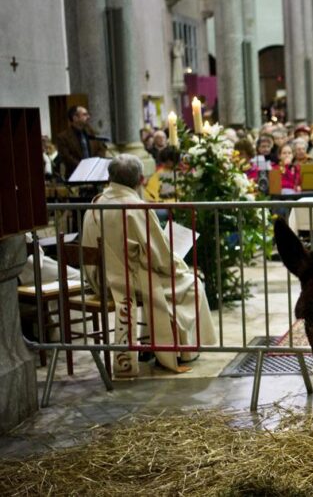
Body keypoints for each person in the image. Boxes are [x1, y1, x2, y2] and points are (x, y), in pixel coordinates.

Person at [81, 154, 218, 377]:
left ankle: (152, 343)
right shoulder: (135, 207)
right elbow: (160, 257)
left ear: (110, 177)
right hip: (129, 282)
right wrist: (176, 264)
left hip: (100, 280)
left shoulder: (95, 204)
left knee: (166, 280)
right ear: (140, 180)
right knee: (191, 283)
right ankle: (182, 351)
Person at [54, 105, 107, 180]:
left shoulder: (92, 133)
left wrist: (95, 165)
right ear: (75, 118)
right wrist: (83, 167)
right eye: (85, 114)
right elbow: (67, 157)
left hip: (95, 174)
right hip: (75, 175)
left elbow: (101, 148)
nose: (88, 117)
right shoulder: (63, 137)